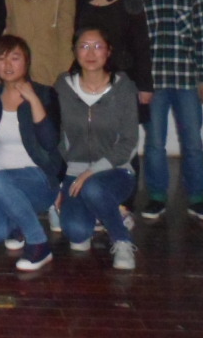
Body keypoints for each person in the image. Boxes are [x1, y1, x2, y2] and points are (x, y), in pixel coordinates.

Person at [137, 0, 203, 222]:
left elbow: (202, 38)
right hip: (154, 82)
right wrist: (140, 82)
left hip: (186, 80)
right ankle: (157, 196)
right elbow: (136, 44)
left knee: (193, 142)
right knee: (155, 143)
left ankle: (197, 198)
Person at [76, 0, 153, 217]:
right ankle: (94, 198)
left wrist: (144, 86)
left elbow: (141, 45)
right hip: (87, 85)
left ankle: (124, 203)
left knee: (125, 146)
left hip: (123, 85)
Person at [0, 35, 61, 271]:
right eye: (1, 59)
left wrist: (33, 99)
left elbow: (51, 143)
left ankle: (39, 244)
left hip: (39, 179)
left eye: (15, 58)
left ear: (27, 61)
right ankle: (18, 222)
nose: (8, 65)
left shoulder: (45, 93)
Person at [55, 26, 140, 270]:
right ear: (74, 51)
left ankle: (122, 240)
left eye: (98, 46)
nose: (90, 53)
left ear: (108, 51)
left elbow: (129, 141)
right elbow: (56, 137)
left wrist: (91, 172)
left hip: (116, 171)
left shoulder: (124, 87)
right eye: (83, 46)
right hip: (74, 172)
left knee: (93, 187)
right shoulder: (63, 86)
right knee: (76, 234)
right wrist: (60, 182)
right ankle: (110, 212)